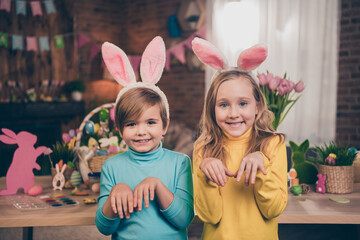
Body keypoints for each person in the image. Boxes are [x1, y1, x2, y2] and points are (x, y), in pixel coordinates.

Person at [95, 36, 194, 240]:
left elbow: (185, 219)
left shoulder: (180, 163)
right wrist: (114, 195)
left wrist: (157, 186)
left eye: (150, 122)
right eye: (131, 124)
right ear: (120, 129)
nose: (141, 131)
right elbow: (104, 227)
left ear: (164, 125)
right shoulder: (111, 167)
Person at [191, 37, 288, 240]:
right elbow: (209, 215)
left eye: (243, 103)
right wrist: (205, 175)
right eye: (224, 105)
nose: (233, 113)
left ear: (257, 107)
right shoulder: (203, 148)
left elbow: (273, 210)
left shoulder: (273, 143)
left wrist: (261, 167)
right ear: (212, 109)